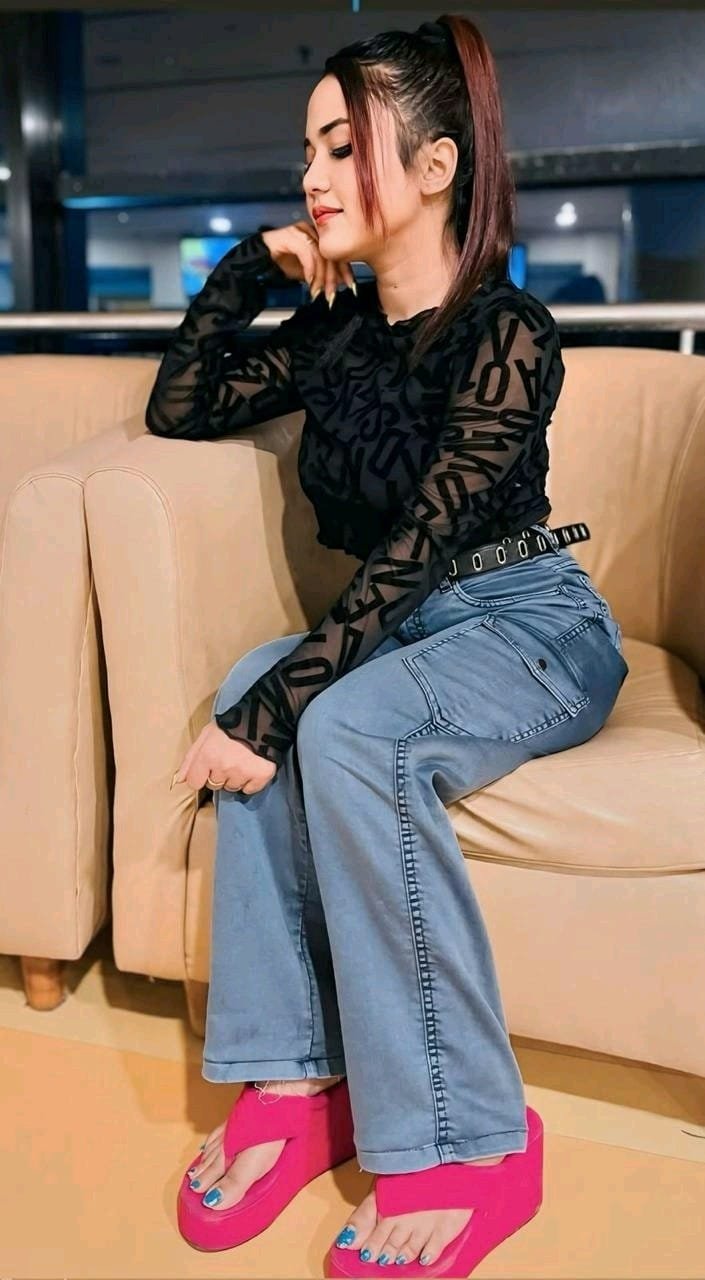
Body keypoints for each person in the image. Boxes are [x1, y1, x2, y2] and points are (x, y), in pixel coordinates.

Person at [147, 12, 628, 1276]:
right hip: (403, 626)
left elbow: (425, 539)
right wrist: (252, 266)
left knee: (331, 718)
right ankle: (300, 1077)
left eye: (341, 146)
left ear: (435, 166)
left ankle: (472, 1140)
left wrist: (286, 704)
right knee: (253, 678)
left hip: (528, 621)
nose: (310, 176)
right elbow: (181, 405)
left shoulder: (510, 330)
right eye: (307, 149)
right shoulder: (338, 337)